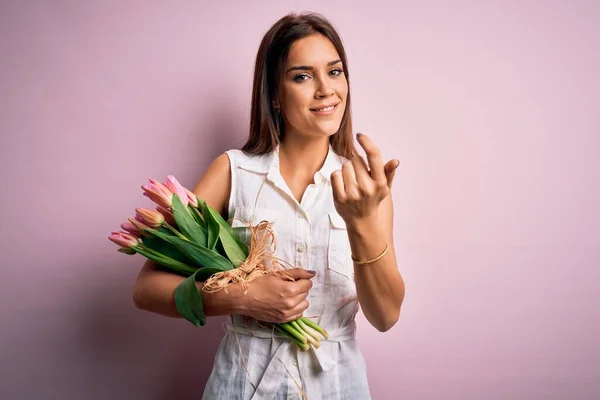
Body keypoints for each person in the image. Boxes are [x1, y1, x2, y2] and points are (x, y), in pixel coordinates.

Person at [132, 12, 405, 400]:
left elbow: (386, 316)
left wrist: (361, 224)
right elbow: (146, 288)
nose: (326, 90)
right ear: (275, 94)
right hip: (243, 384)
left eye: (335, 71)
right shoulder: (232, 171)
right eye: (302, 76)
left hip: (338, 386)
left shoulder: (365, 187)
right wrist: (241, 297)